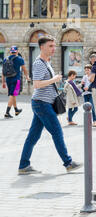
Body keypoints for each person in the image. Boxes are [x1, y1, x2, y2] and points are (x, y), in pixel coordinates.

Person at [18, 35, 82, 175]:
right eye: (50, 46)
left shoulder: (46, 62)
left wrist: (55, 81)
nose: (53, 48)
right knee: (57, 132)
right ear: (42, 47)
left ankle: (23, 165)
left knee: (33, 136)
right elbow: (36, 84)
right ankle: (68, 162)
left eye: (54, 46)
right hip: (42, 104)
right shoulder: (39, 63)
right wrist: (54, 79)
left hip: (42, 103)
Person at [2, 46, 30, 119]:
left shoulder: (6, 59)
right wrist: (27, 77)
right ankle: (7, 112)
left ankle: (16, 110)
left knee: (13, 94)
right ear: (17, 51)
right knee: (12, 94)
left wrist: (3, 82)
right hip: (16, 79)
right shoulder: (19, 59)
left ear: (11, 52)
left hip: (8, 79)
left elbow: (3, 72)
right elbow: (24, 69)